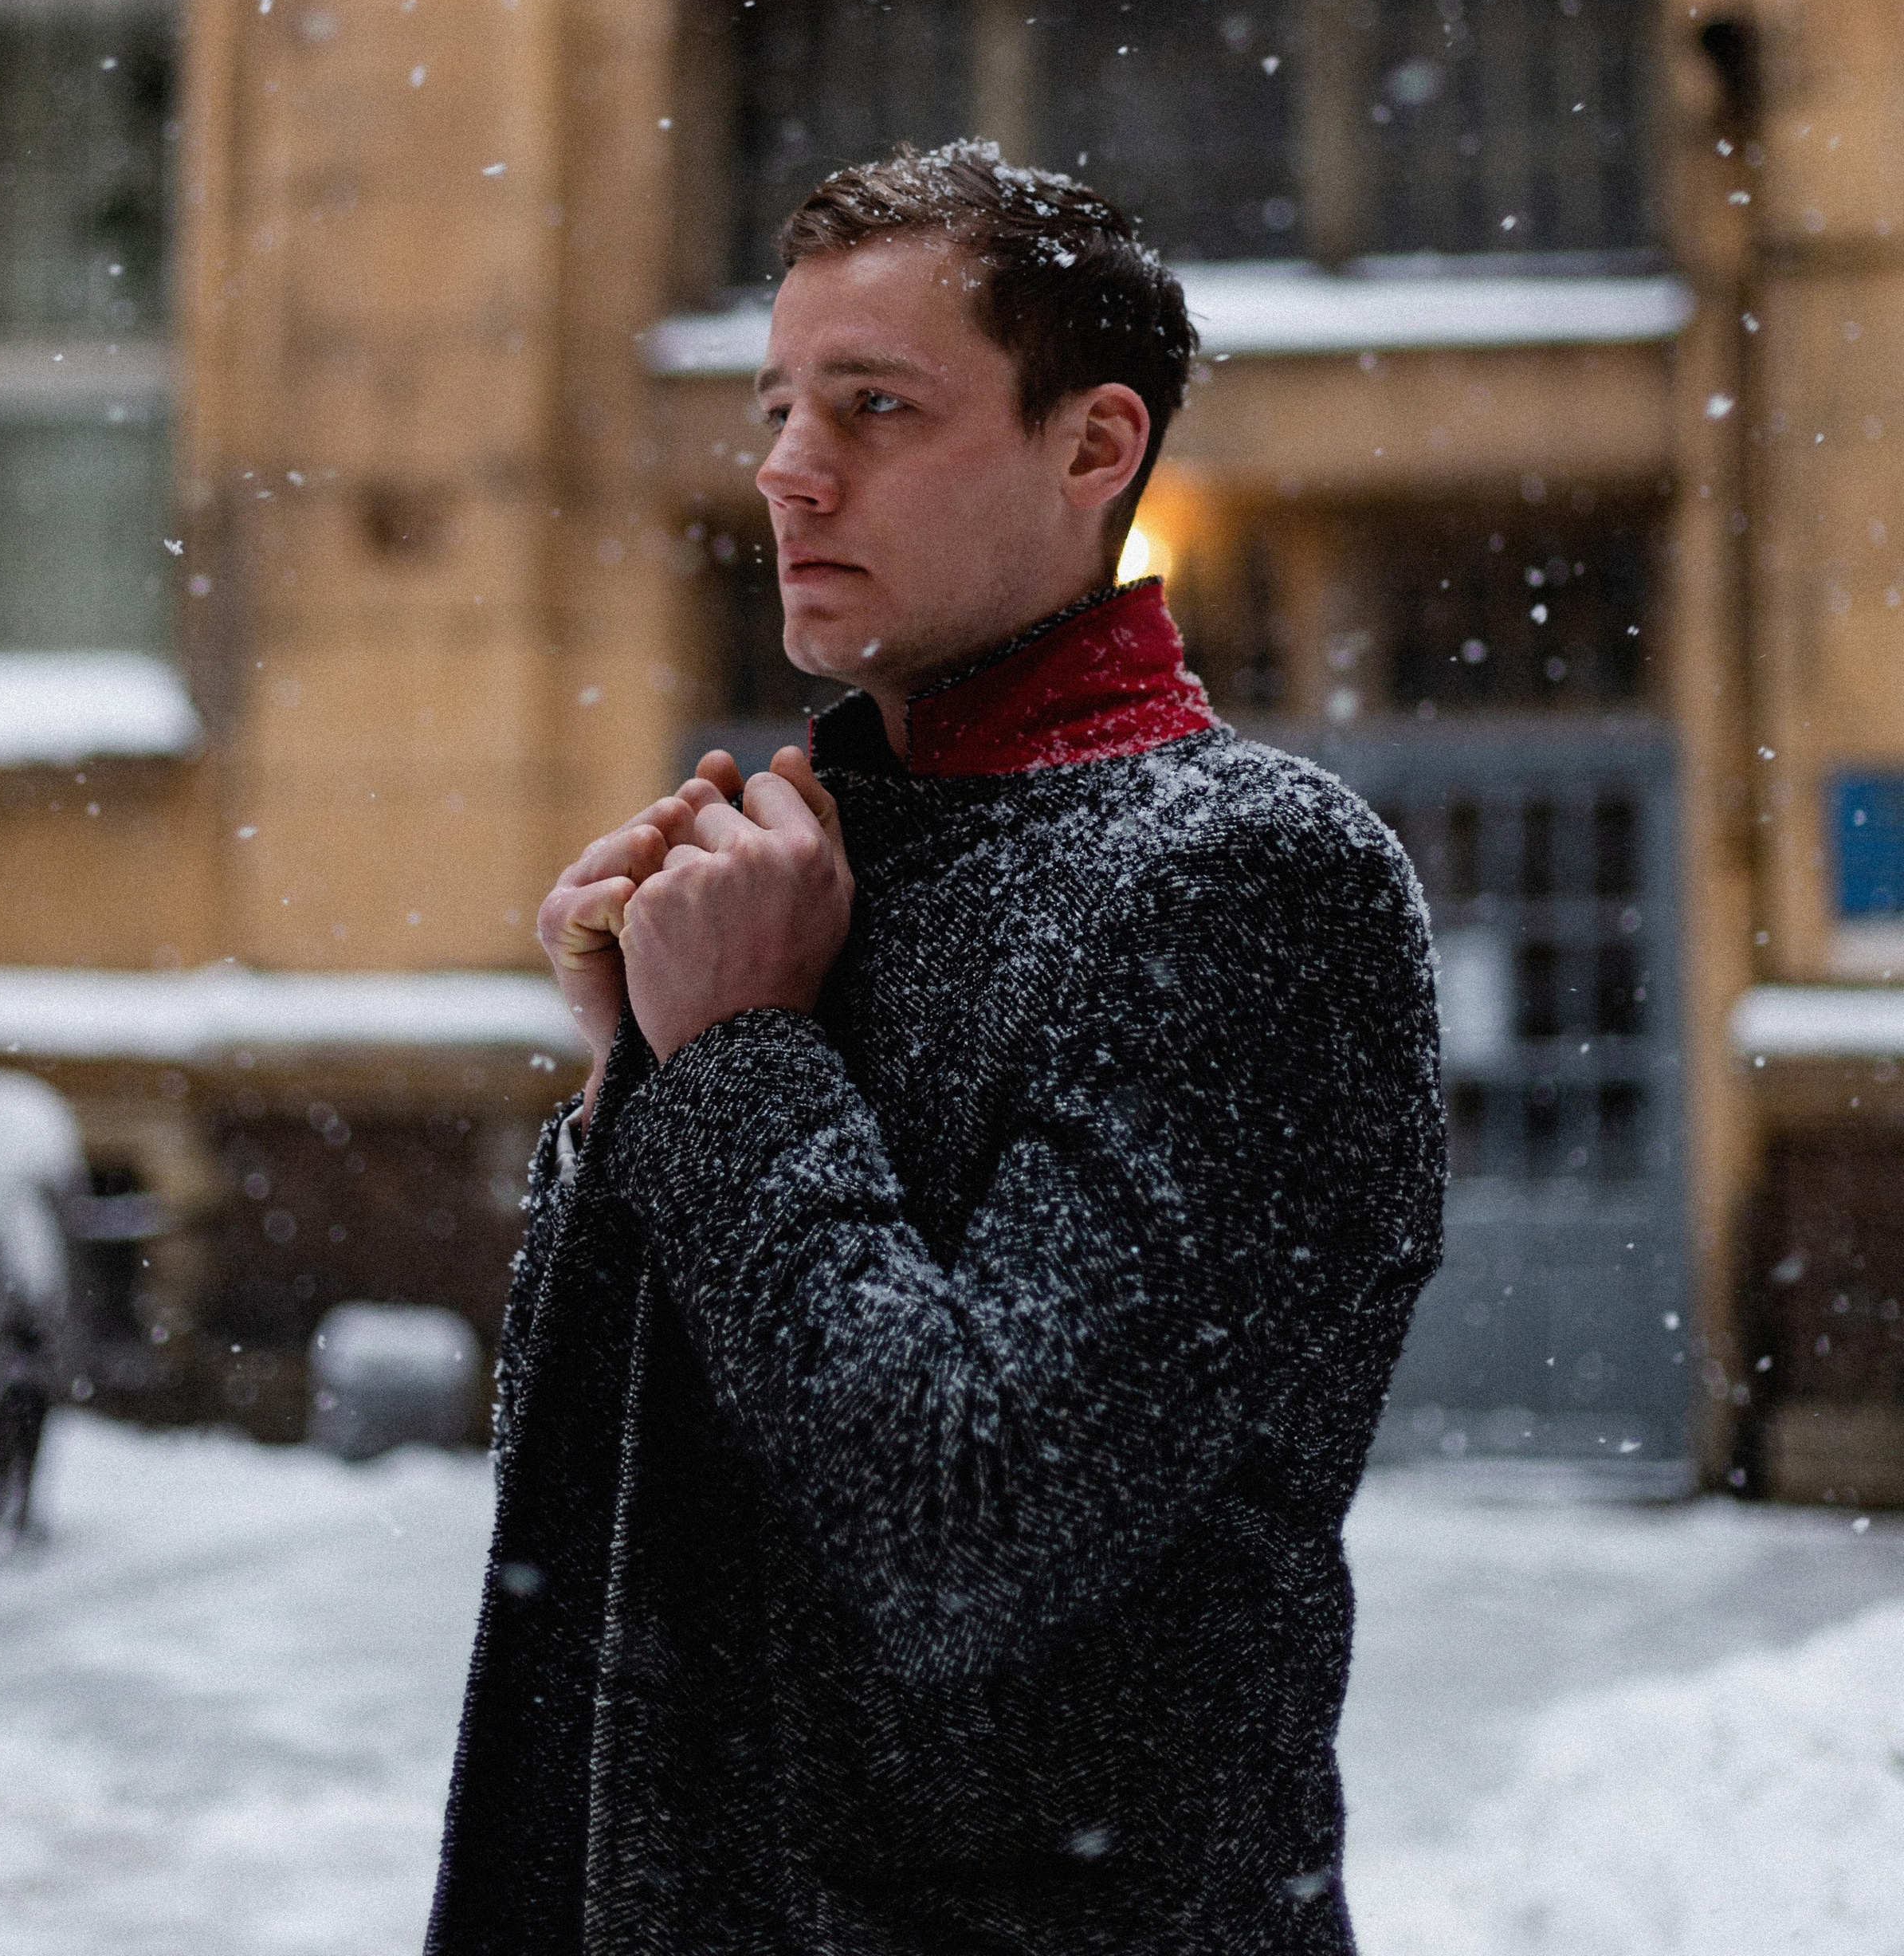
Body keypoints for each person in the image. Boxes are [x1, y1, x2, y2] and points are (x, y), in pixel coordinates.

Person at [426, 142, 1444, 1956]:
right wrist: (624, 1082)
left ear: (1090, 446)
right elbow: (592, 1508)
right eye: (774, 409)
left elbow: (974, 1525)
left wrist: (731, 1060)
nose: (787, 471)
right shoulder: (817, 853)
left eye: (873, 407)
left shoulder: (1248, 882)